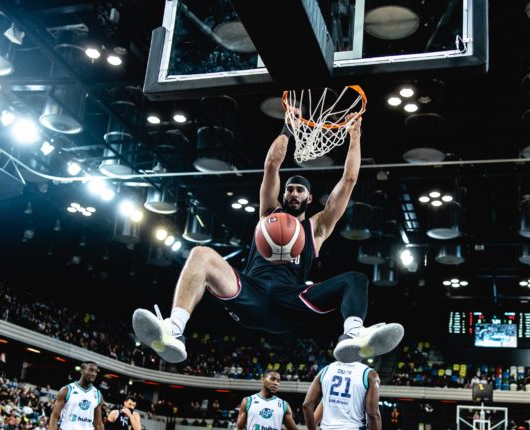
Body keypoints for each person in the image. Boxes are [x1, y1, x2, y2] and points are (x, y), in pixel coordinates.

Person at [132, 114, 404, 366]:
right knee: (201, 253)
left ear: (309, 198)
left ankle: (354, 335)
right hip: (251, 291)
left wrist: (354, 137)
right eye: (290, 189)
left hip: (290, 300)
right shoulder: (268, 214)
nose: (293, 194)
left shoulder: (317, 227)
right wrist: (288, 127)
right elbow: (272, 165)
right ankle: (173, 331)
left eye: (300, 190)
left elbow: (349, 180)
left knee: (355, 279)